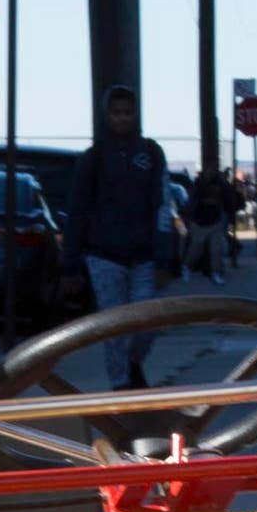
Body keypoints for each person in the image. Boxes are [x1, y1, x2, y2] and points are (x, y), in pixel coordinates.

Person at [63, 85, 173, 387]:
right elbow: (77, 211)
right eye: (116, 112)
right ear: (106, 116)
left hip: (145, 256)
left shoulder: (151, 153)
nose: (122, 118)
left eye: (127, 112)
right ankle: (121, 386)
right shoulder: (93, 158)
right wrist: (70, 263)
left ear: (136, 114)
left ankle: (134, 362)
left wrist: (165, 258)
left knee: (147, 322)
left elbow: (162, 206)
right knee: (113, 328)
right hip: (104, 257)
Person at [179, 153, 239, 283]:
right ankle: (186, 266)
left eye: (215, 166)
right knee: (197, 247)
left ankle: (216, 273)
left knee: (216, 249)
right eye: (211, 167)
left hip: (215, 220)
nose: (213, 169)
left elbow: (228, 199)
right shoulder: (199, 182)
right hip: (199, 221)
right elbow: (193, 200)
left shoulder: (221, 183)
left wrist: (230, 214)